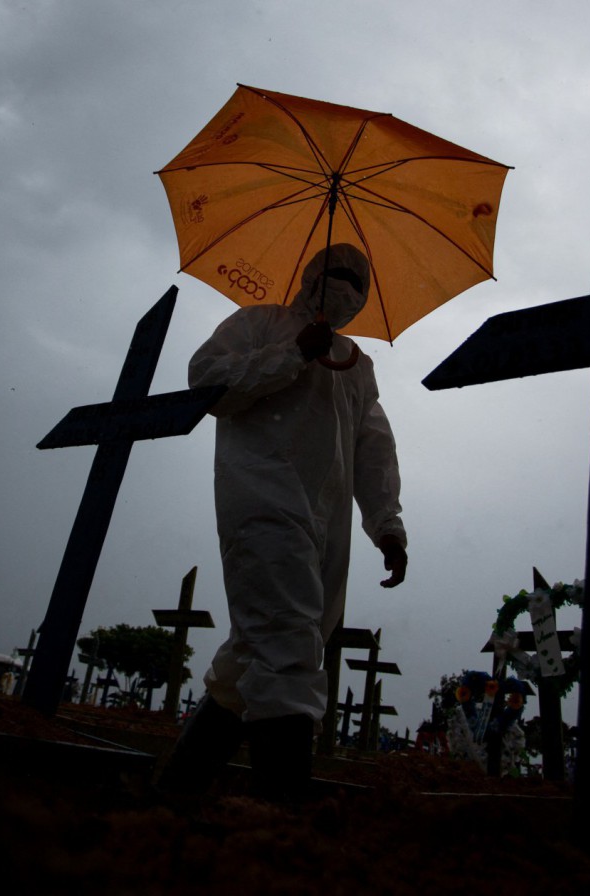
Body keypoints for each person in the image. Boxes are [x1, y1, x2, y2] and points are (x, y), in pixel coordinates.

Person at [159, 243, 407, 802]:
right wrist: (292, 353)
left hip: (328, 523)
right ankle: (282, 817)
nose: (347, 289)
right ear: (311, 276)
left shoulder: (357, 364)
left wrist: (387, 525)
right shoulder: (258, 324)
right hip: (261, 498)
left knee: (259, 651)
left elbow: (373, 448)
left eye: (359, 284)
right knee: (288, 642)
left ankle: (175, 794)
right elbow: (208, 383)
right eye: (337, 275)